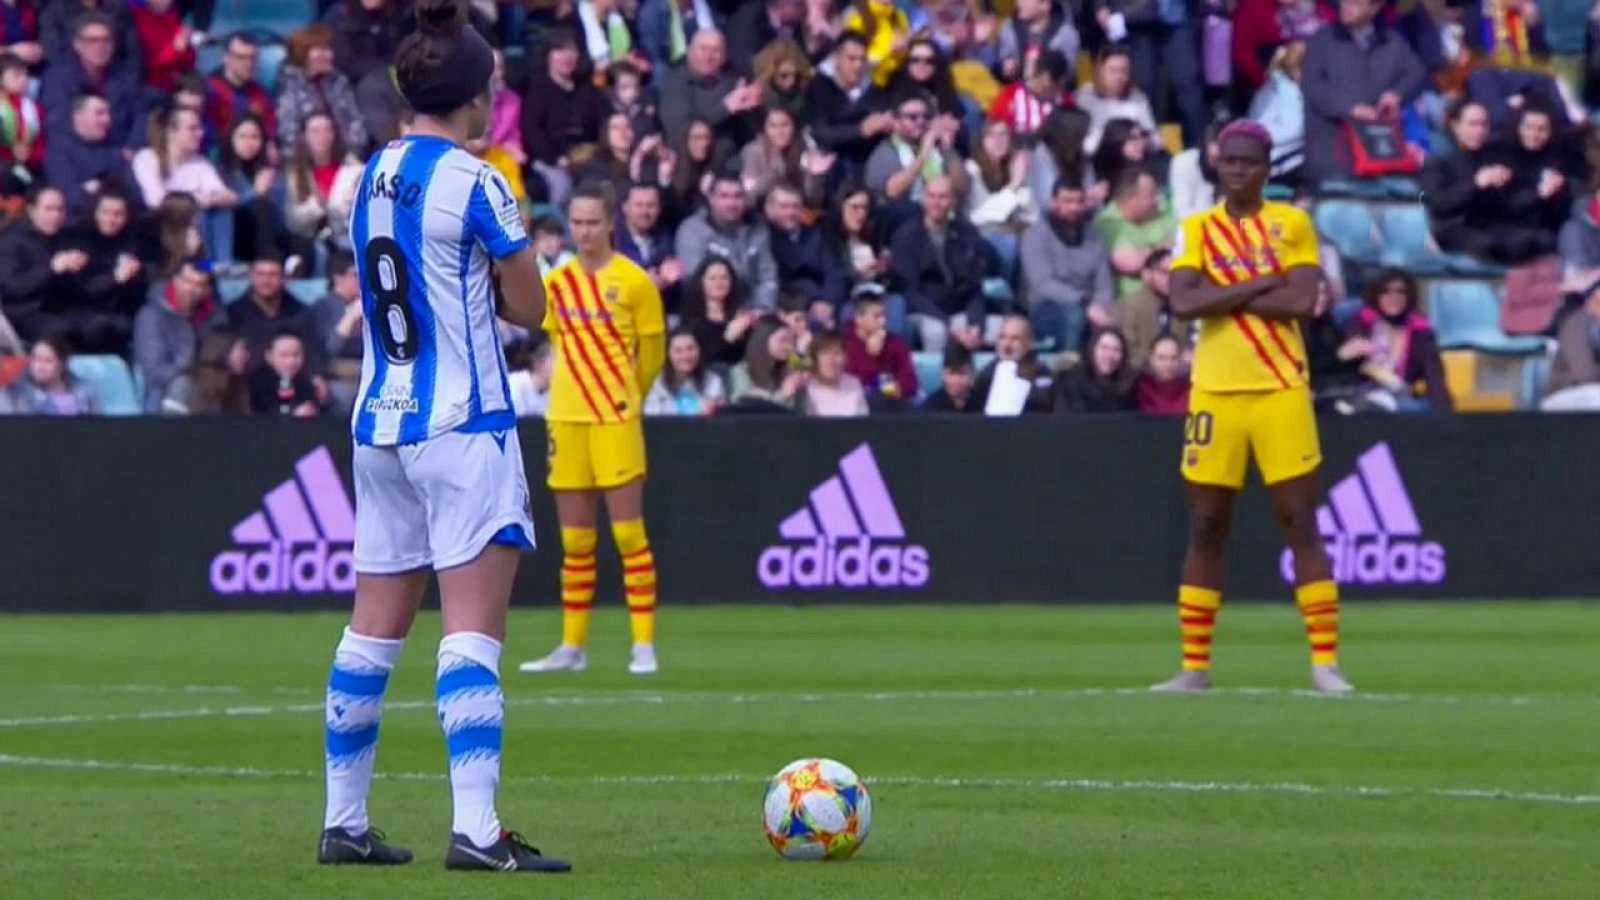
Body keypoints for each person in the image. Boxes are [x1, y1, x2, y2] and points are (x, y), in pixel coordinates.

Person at [319, 0, 566, 875]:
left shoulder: (371, 173)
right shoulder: (480, 178)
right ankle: (478, 831)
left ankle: (343, 821)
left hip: (380, 420)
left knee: (370, 634)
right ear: (475, 95)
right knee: (471, 637)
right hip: (464, 423)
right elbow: (531, 306)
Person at [1153, 119, 1351, 696]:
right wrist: (1260, 282)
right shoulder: (1196, 229)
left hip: (1280, 387)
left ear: (1266, 169)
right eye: (1229, 160)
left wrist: (1228, 292)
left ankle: (1325, 663)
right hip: (1215, 390)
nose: (1237, 170)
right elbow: (1183, 302)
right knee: (1208, 524)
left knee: (1299, 521)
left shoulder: (1292, 223)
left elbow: (1300, 301)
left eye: (1249, 162)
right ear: (1216, 164)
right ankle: (1194, 668)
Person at [520, 180, 667, 680]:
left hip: (614, 417)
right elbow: (554, 345)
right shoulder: (558, 284)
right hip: (566, 416)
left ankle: (643, 644)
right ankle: (572, 645)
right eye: (576, 222)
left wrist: (629, 396)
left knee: (628, 533)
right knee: (576, 542)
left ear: (611, 223)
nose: (583, 231)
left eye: (592, 222)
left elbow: (652, 355)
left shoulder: (634, 282)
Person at [1299, 0, 1428, 185]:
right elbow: (1312, 86)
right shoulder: (1322, 41)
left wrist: (1396, 95)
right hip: (1331, 150)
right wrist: (1350, 108)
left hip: (1377, 149)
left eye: (1356, 3)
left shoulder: (1391, 41)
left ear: (1374, 8)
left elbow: (1416, 73)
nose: (1346, 6)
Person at [889, 174, 990, 353]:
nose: (936, 202)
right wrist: (948, 323)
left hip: (959, 309)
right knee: (937, 332)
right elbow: (911, 292)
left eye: (942, 197)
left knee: (1003, 329)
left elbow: (974, 286)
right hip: (925, 311)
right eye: (931, 196)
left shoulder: (966, 233)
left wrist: (976, 323)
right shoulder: (905, 237)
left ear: (952, 201)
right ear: (923, 199)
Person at [1020, 178, 1113, 354]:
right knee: (1075, 316)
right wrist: (1085, 304)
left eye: (1079, 201)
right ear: (1055, 202)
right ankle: (1069, 368)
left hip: (1090, 306)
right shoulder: (1035, 235)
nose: (1075, 208)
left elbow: (1104, 285)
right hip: (1046, 306)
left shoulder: (1095, 237)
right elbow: (1043, 284)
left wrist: (1102, 309)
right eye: (1067, 201)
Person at [519, 29, 609, 209]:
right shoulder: (538, 89)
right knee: (562, 187)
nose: (567, 56)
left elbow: (600, 124)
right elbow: (531, 130)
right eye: (560, 50)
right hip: (550, 159)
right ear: (549, 56)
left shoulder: (587, 89)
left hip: (586, 156)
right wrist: (557, 159)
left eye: (571, 50)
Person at [1341, 270, 1452, 413]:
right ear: (1376, 296)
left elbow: (1435, 379)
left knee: (1420, 409)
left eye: (1400, 292)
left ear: (1409, 296)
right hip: (1361, 398)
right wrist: (1345, 355)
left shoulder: (1422, 333)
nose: (1393, 298)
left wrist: (1447, 420)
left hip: (1401, 401)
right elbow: (1343, 365)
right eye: (1385, 292)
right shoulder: (1361, 324)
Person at [38, 14, 144, 148]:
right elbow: (57, 124)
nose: (100, 46)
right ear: (77, 45)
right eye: (92, 41)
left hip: (119, 152)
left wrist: (131, 147)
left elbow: (141, 113)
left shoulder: (124, 74)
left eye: (106, 40)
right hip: (75, 154)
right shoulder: (58, 77)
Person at [674, 172, 779, 309]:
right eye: (724, 196)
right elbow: (694, 281)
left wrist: (762, 310)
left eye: (738, 196)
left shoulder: (758, 229)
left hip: (756, 311)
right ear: (711, 199)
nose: (731, 203)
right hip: (710, 314)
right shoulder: (692, 231)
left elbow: (768, 276)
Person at [60, 190, 146, 354]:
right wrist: (115, 278)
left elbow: (141, 291)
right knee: (100, 326)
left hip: (122, 311)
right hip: (83, 310)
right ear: (95, 213)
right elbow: (82, 290)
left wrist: (135, 276)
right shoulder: (77, 239)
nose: (111, 219)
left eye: (118, 214)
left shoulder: (133, 241)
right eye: (105, 212)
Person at [0, 186, 86, 343]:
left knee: (105, 325)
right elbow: (11, 287)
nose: (55, 215)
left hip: (59, 306)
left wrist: (77, 266)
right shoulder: (11, 240)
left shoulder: (64, 237)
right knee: (65, 330)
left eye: (60, 210)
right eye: (48, 209)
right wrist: (51, 269)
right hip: (24, 312)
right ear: (32, 210)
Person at [133, 257, 215, 412]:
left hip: (206, 390)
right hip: (163, 392)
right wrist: (187, 366)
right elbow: (155, 373)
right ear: (175, 280)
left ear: (207, 290)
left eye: (199, 284)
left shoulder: (214, 316)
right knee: (182, 385)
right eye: (187, 281)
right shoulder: (150, 316)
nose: (191, 289)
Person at [805, 31, 894, 174]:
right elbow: (822, 133)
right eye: (851, 59)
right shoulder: (819, 87)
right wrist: (861, 130)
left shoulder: (875, 90)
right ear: (836, 58)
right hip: (829, 166)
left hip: (868, 164)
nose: (858, 65)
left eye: (862, 59)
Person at [277, 24, 370, 158]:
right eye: (321, 50)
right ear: (303, 53)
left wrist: (351, 153)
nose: (329, 55)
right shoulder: (289, 84)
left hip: (343, 158)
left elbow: (355, 123)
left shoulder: (339, 82)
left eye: (329, 50)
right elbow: (288, 133)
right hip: (302, 162)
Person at [657, 29, 754, 159]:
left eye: (716, 50)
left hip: (730, 160)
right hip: (687, 160)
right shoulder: (674, 82)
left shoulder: (732, 83)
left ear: (724, 57)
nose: (708, 57)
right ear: (690, 51)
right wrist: (725, 108)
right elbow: (680, 131)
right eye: (703, 49)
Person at [46, 93, 137, 224]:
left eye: (108, 114)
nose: (107, 120)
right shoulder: (59, 150)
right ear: (78, 116)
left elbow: (129, 193)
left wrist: (94, 189)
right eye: (99, 113)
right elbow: (69, 197)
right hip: (76, 227)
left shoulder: (113, 150)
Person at [285, 111, 366, 256]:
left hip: (346, 240)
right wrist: (319, 207)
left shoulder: (355, 171)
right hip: (309, 242)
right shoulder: (295, 174)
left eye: (327, 130)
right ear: (305, 136)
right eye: (315, 131)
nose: (322, 136)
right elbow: (293, 220)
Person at [1095, 169, 1177, 301]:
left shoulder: (1161, 212)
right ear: (1131, 199)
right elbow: (1133, 263)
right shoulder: (1108, 224)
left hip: (1175, 290)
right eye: (1151, 195)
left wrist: (1152, 255)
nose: (1157, 199)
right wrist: (1165, 251)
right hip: (1132, 299)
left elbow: (1185, 243)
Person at [765, 180, 847, 312]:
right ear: (770, 209)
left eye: (796, 206)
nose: (790, 213)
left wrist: (827, 302)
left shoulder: (816, 235)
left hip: (825, 302)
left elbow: (834, 273)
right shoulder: (764, 237)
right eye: (784, 207)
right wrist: (811, 302)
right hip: (787, 303)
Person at [1073, 45, 1157, 154]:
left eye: (1123, 71)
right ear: (1101, 70)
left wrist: (1145, 142)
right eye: (1113, 70)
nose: (1118, 77)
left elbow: (1155, 139)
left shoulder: (1137, 97)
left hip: (1132, 160)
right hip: (1097, 157)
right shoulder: (1084, 96)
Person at [843, 290, 916, 410]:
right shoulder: (845, 343)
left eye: (884, 316)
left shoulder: (895, 342)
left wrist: (892, 389)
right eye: (876, 316)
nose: (883, 321)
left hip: (892, 403)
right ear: (858, 318)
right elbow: (851, 384)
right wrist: (871, 356)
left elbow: (910, 381)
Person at [310, 252, 364, 412]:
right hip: (336, 377)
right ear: (338, 278)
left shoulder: (372, 306)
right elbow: (329, 350)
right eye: (356, 275)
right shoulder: (323, 306)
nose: (362, 281)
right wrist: (350, 319)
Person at [203, 32, 278, 147]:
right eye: (241, 57)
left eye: (253, 57)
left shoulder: (262, 96)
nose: (248, 63)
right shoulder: (208, 91)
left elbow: (270, 132)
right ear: (226, 58)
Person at [972, 315, 1057, 414]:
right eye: (1003, 337)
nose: (1007, 344)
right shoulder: (985, 375)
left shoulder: (1042, 374)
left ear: (1028, 342)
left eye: (1015, 338)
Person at [680, 256, 755, 364]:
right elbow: (700, 360)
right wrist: (728, 338)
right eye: (712, 278)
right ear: (701, 282)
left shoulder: (740, 316)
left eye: (724, 277)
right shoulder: (691, 319)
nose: (719, 282)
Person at [987, 47, 1071, 142]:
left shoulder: (1064, 102)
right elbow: (993, 133)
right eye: (1058, 87)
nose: (1060, 91)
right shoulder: (1010, 96)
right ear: (1046, 79)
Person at [726, 314, 804, 411]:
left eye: (791, 341)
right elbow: (743, 407)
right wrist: (782, 395)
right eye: (782, 340)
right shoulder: (741, 371)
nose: (788, 347)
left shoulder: (790, 370)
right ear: (764, 340)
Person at [643, 326, 725, 415]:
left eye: (690, 349)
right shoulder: (658, 384)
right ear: (668, 354)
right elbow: (652, 421)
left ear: (699, 350)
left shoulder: (713, 381)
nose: (685, 356)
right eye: (678, 351)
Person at [1057, 327, 1137, 413]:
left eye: (1116, 350)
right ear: (1092, 350)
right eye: (1104, 348)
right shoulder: (1070, 381)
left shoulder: (1130, 386)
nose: (1110, 355)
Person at [11, 334, 95, 415]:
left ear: (62, 364)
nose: (39, 366)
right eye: (35, 359)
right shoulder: (21, 393)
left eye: (48, 360)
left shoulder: (85, 391)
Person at [248, 329, 321, 416]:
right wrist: (294, 414)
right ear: (269, 356)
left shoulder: (304, 381)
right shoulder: (257, 382)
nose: (291, 361)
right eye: (284, 355)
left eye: (296, 354)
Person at [804, 332, 869, 416]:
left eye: (837, 353)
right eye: (824, 353)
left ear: (845, 358)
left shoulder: (853, 383)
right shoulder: (806, 387)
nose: (831, 360)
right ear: (815, 358)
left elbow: (864, 422)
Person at [1134, 332, 1190, 415]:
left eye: (1173, 358)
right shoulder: (1139, 386)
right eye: (1161, 358)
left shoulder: (1190, 388)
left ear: (1180, 359)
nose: (1168, 364)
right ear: (1151, 359)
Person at [919, 342, 978, 412]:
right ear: (943, 374)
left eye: (962, 374)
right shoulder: (930, 407)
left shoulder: (983, 403)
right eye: (951, 374)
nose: (956, 380)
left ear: (972, 374)